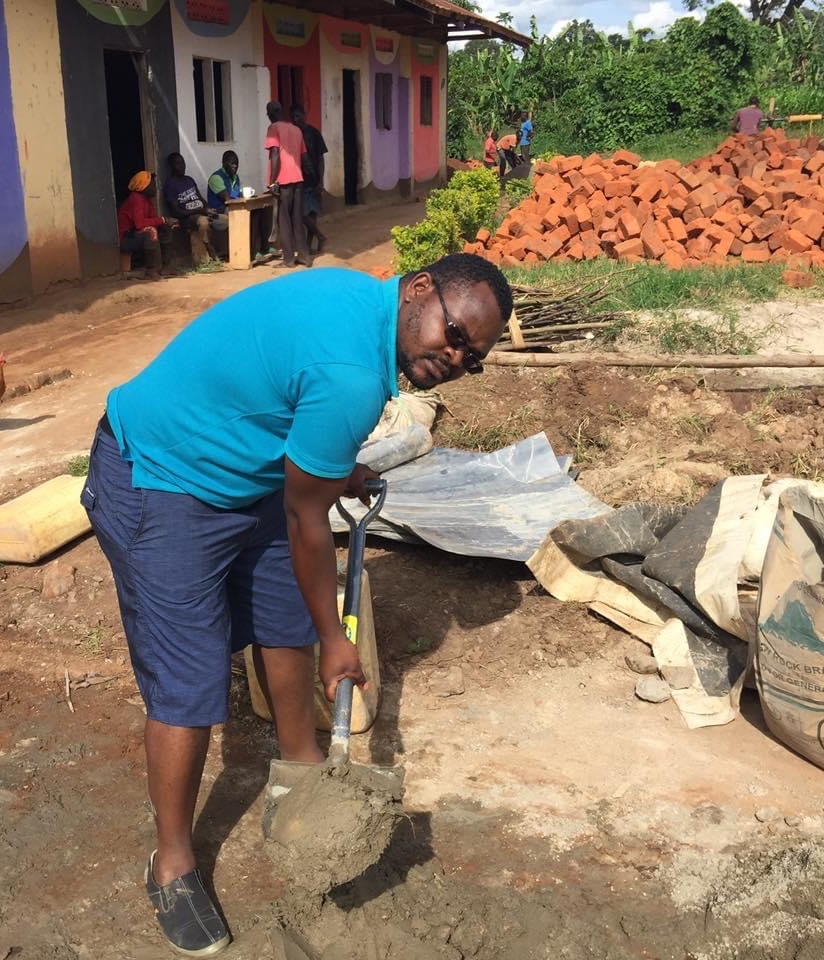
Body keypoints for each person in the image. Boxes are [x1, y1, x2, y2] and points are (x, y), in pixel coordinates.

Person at [81, 253, 512, 956]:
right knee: (189, 681)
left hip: (242, 474)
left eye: (474, 358)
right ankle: (172, 863)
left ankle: (302, 767)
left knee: (284, 623)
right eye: (456, 334)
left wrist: (331, 466)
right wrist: (337, 639)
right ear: (421, 289)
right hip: (160, 475)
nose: (456, 358)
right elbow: (307, 519)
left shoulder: (362, 303)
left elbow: (290, 414)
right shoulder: (352, 373)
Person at [206, 150, 276, 263]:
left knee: (262, 209)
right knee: (251, 214)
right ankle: (252, 251)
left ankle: (265, 246)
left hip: (232, 209)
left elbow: (236, 196)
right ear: (224, 163)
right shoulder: (216, 178)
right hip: (218, 213)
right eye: (232, 163)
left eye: (236, 164)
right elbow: (228, 199)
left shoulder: (235, 177)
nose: (235, 166)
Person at [264, 100, 310, 268]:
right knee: (297, 219)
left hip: (283, 181)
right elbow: (304, 157)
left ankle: (289, 259)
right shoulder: (296, 129)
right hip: (298, 178)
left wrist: (272, 182)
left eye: (268, 114)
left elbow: (275, 154)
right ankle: (305, 256)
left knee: (283, 221)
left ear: (271, 114)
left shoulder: (273, 128)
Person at [164, 152, 216, 266]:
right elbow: (176, 212)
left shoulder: (189, 180)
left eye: (183, 162)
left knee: (225, 220)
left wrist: (208, 209)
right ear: (172, 166)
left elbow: (200, 198)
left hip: (202, 212)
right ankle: (209, 247)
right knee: (204, 222)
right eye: (177, 164)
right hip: (188, 217)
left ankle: (226, 253)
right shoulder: (170, 184)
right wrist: (200, 211)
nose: (182, 166)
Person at [117, 171, 172, 278]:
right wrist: (163, 220)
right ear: (143, 186)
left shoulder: (146, 200)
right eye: (152, 184)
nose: (155, 188)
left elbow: (153, 219)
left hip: (136, 234)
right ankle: (151, 270)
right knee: (151, 232)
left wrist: (165, 221)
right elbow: (139, 224)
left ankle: (166, 267)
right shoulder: (136, 198)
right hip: (126, 238)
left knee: (165, 227)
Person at [291, 104, 328, 255]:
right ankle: (320, 236)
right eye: (293, 117)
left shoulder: (314, 133)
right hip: (299, 180)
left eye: (298, 116)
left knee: (312, 214)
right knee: (301, 213)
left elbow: (321, 159)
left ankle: (309, 244)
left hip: (313, 179)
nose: (296, 120)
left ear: (304, 116)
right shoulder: (293, 135)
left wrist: (321, 180)